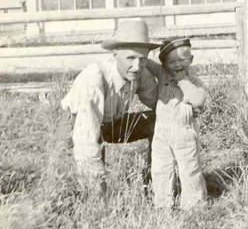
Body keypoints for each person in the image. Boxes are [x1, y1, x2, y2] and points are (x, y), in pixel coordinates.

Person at [59, 18, 159, 196]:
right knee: (63, 179)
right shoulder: (95, 76)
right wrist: (98, 189)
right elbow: (86, 136)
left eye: (143, 59)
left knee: (159, 121)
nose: (137, 66)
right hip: (75, 124)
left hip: (111, 123)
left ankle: (154, 184)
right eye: (130, 58)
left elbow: (161, 105)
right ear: (114, 55)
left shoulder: (140, 73)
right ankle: (90, 198)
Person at [147, 37, 208, 210]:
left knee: (189, 169)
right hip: (161, 132)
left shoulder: (194, 81)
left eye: (182, 59)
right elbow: (148, 64)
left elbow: (198, 100)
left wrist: (183, 81)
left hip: (184, 132)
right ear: (164, 64)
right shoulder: (161, 73)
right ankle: (162, 202)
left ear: (191, 60)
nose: (177, 65)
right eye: (171, 61)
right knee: (160, 169)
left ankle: (194, 204)